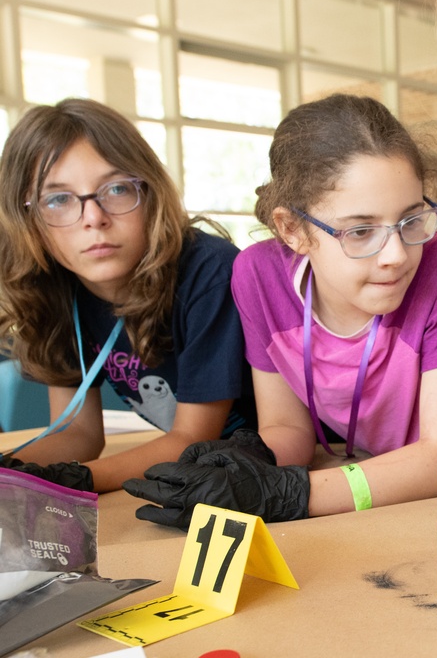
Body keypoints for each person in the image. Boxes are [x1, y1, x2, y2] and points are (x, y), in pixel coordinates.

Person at [123, 94, 437, 528]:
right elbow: (288, 429)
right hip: (395, 474)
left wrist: (290, 494)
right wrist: (250, 464)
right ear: (292, 229)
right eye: (360, 231)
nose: (396, 255)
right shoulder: (258, 276)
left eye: (411, 219)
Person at [0, 98, 256, 493]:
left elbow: (193, 439)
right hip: (208, 471)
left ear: (150, 193)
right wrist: (13, 471)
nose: (93, 218)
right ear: (27, 220)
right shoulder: (60, 290)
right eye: (58, 199)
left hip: (298, 460)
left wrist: (72, 480)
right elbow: (79, 435)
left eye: (116, 189)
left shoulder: (209, 272)